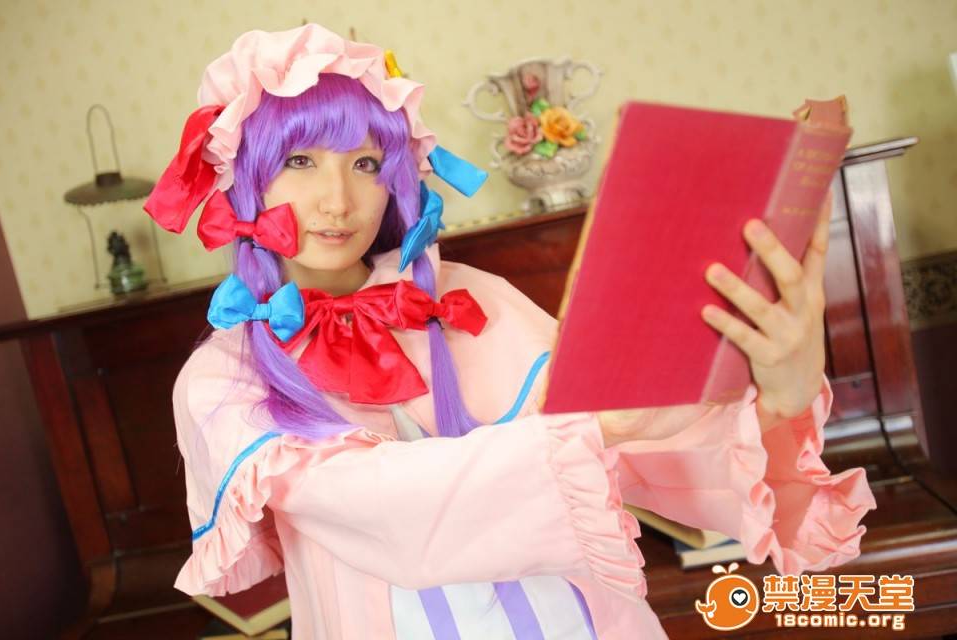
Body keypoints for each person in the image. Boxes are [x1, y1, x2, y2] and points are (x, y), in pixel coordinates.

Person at [145, 24, 877, 639]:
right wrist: (593, 427)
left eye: (366, 163)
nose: (338, 199)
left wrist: (779, 396)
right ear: (243, 176)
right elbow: (383, 509)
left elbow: (658, 450)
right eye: (300, 161)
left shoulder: (471, 299)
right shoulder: (223, 380)